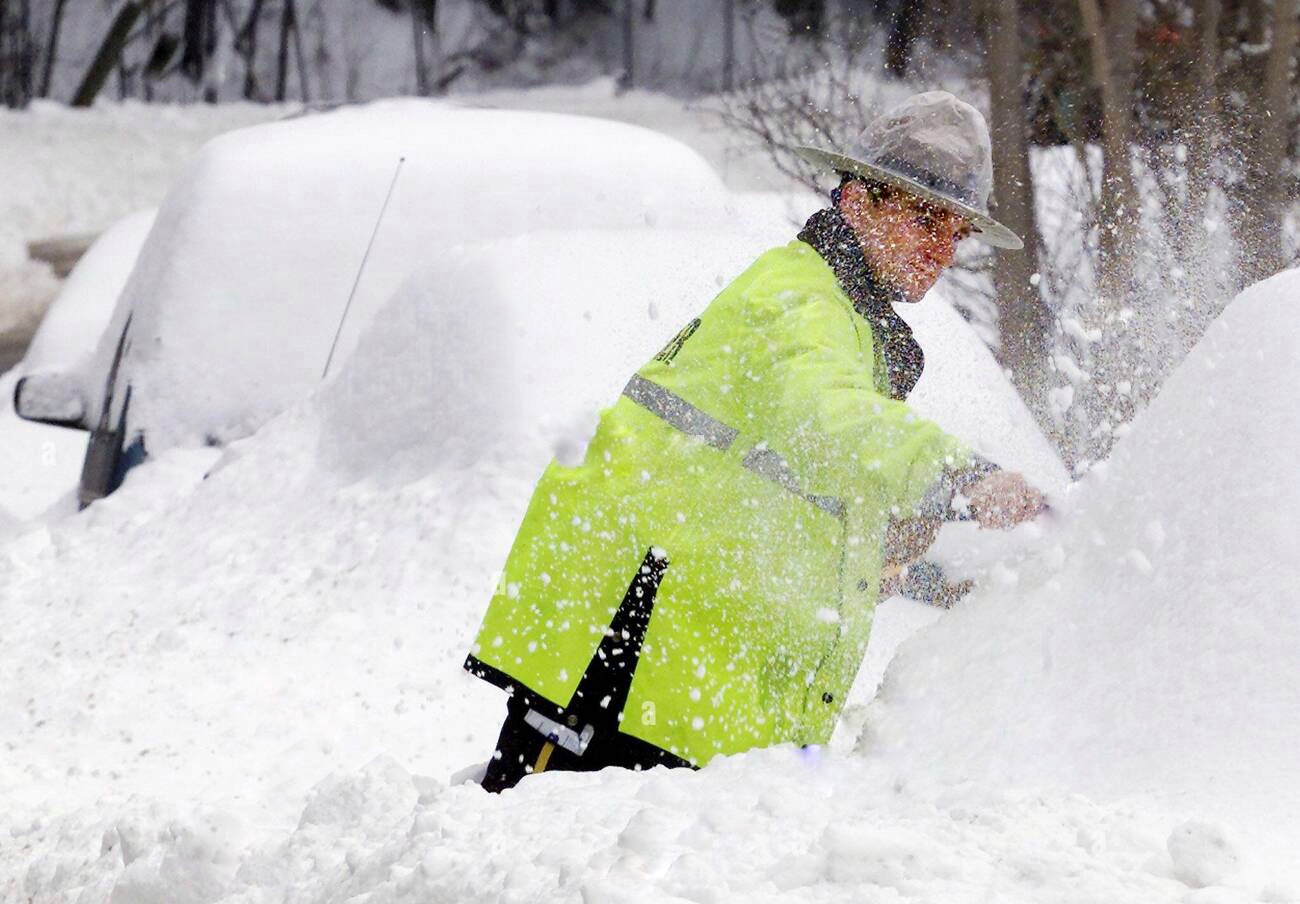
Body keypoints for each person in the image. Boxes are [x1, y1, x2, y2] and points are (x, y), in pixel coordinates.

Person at [464, 91, 1046, 793]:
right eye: (924, 218)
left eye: (957, 232)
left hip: (702, 689)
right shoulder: (797, 298)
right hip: (627, 658)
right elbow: (827, 417)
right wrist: (963, 477)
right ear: (859, 201)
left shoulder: (856, 326)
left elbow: (782, 469)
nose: (943, 250)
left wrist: (877, 545)